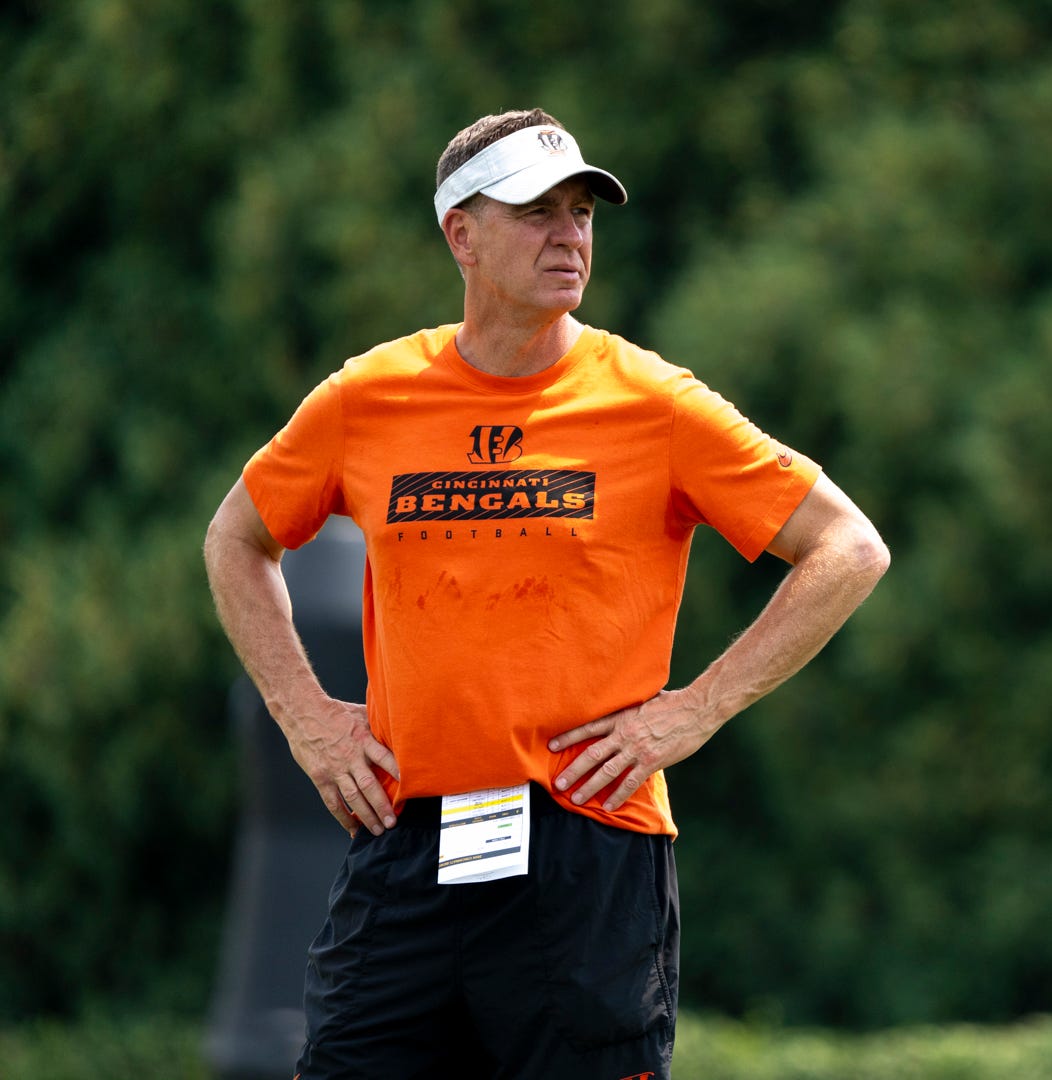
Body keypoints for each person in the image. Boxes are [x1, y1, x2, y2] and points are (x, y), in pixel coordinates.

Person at [203, 107, 889, 1080]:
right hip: (405, 847)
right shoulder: (368, 399)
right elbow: (236, 536)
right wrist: (306, 717)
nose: (569, 234)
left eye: (581, 212)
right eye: (535, 211)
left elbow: (848, 547)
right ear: (461, 236)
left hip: (589, 850)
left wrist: (692, 713)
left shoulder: (654, 403)